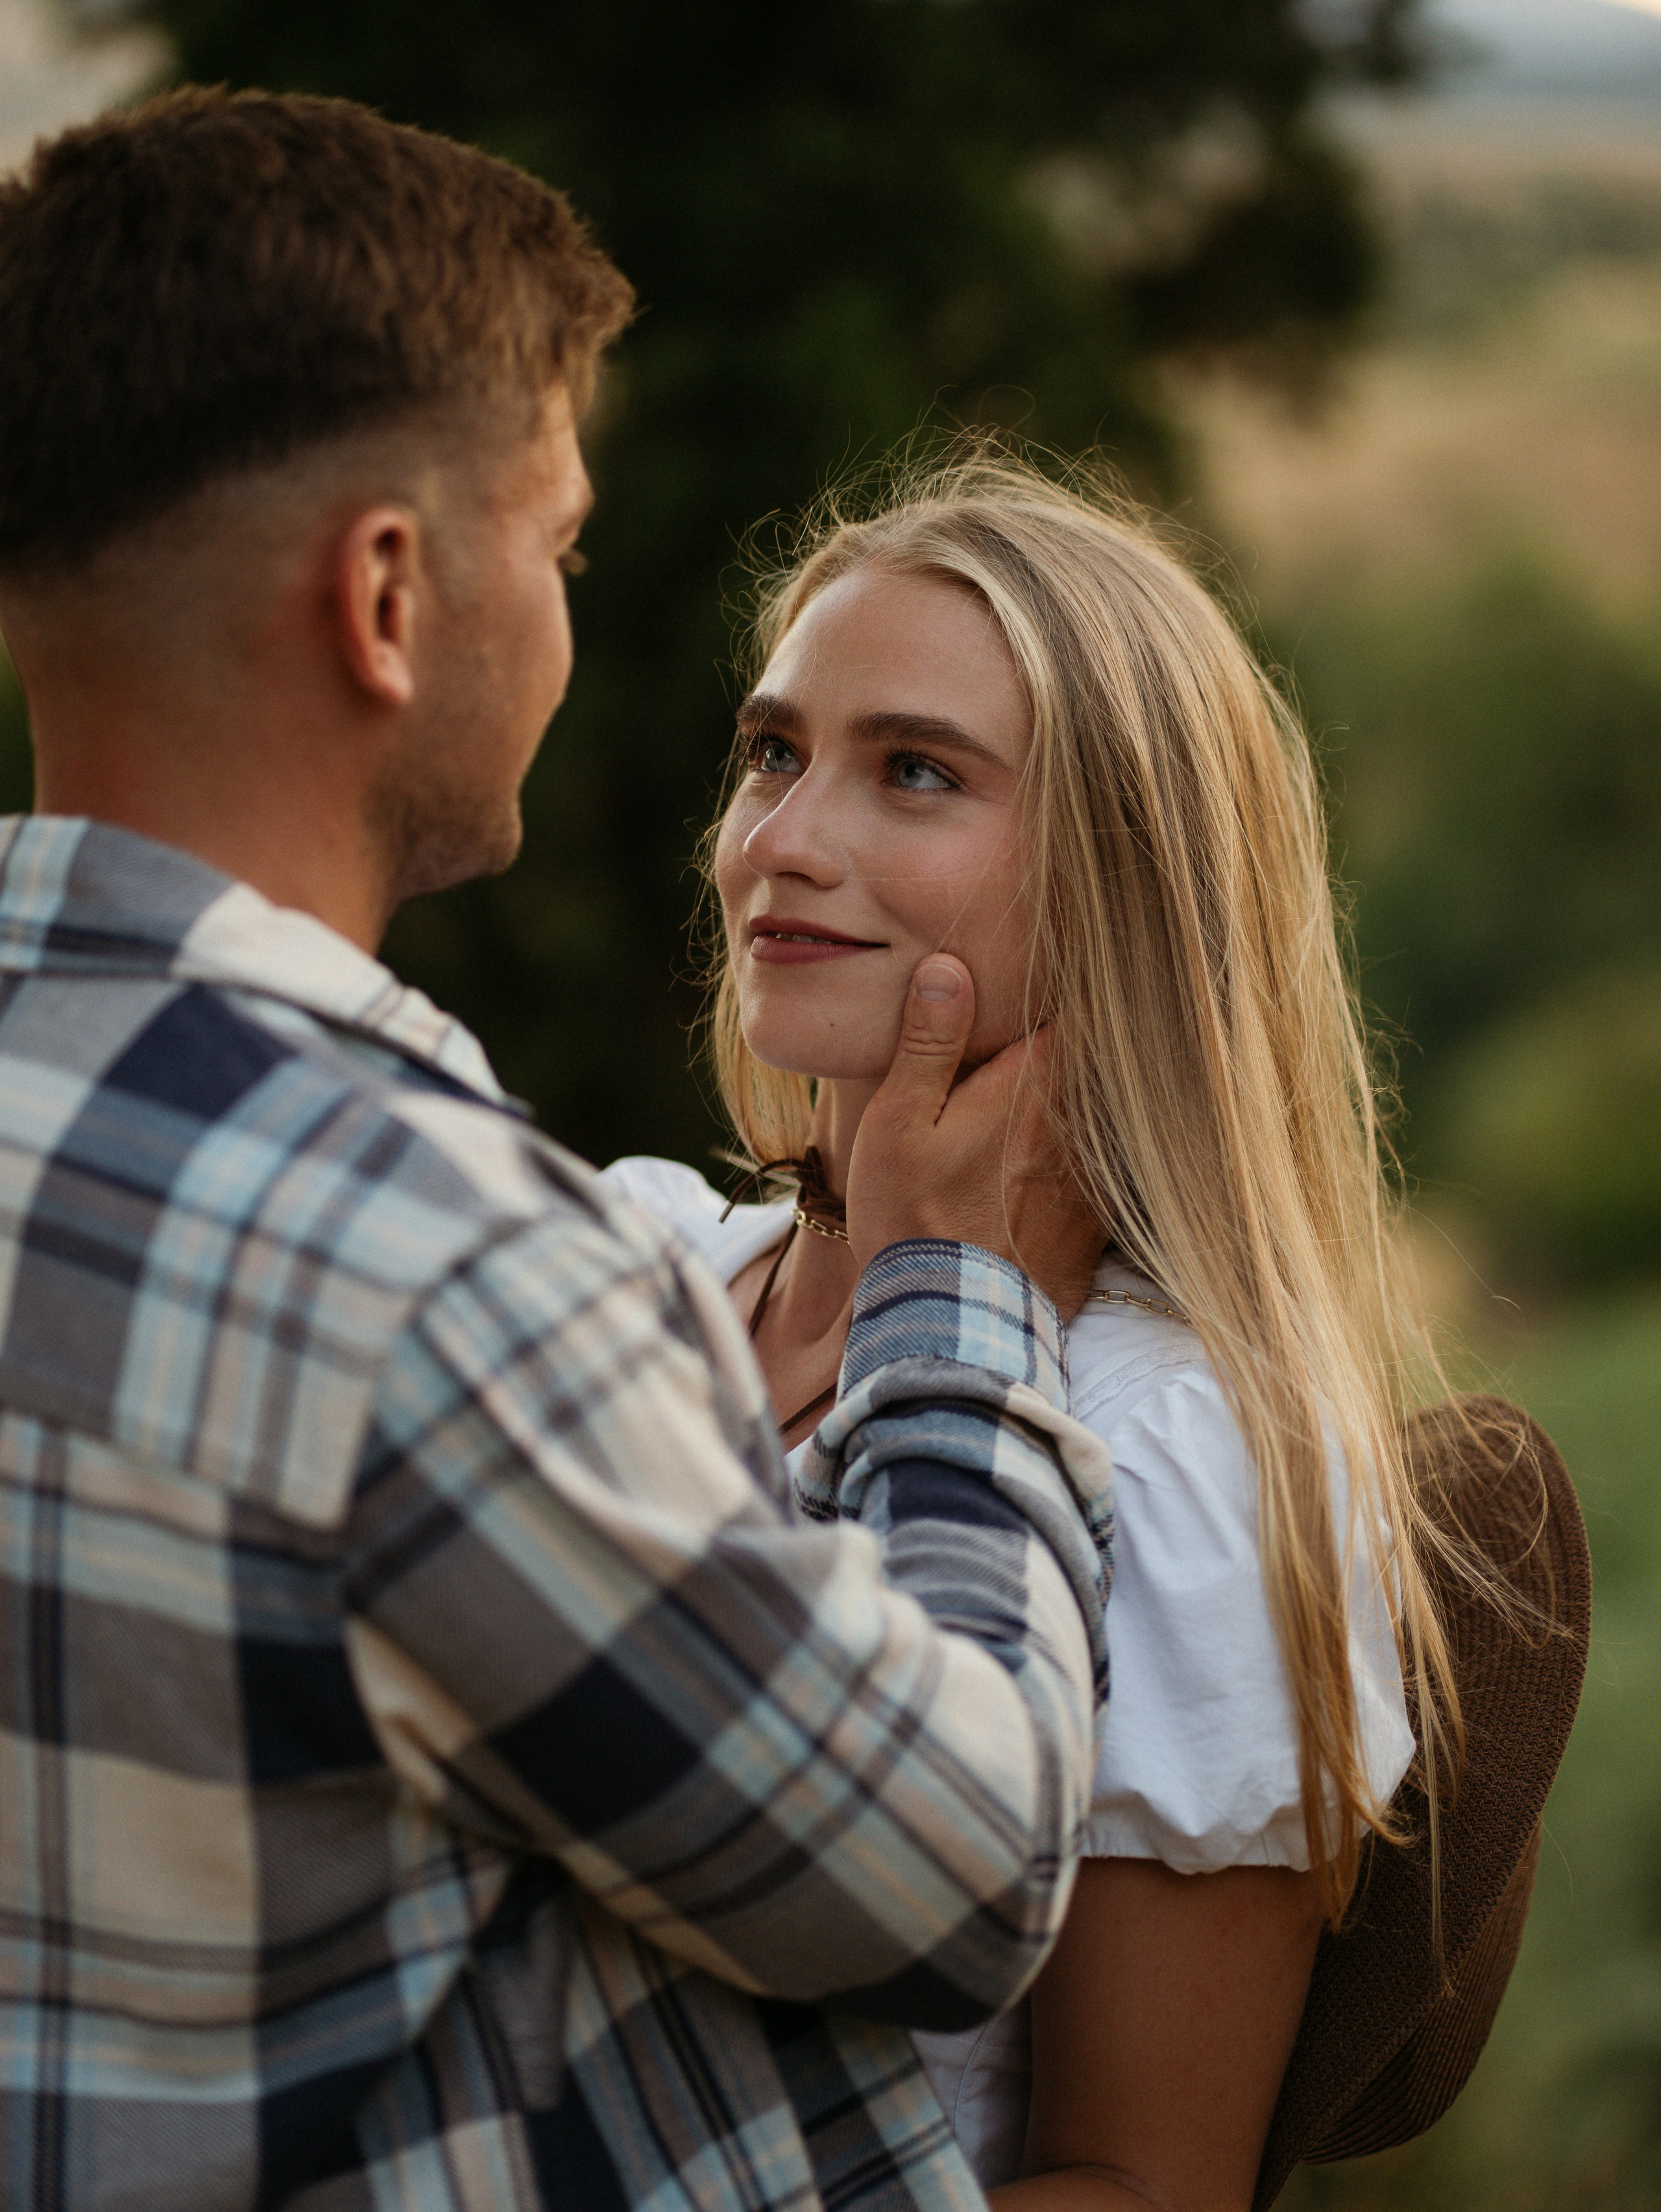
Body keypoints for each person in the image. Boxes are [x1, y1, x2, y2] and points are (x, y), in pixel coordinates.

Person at [0, 93, 1117, 2211]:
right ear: (389, 594)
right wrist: (954, 1294)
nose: (572, 614)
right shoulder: (418, 1259)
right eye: (561, 542)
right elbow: (960, 1873)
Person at [605, 451, 1464, 2211]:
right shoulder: (634, 1261)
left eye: (914, 771)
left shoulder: (1176, 1445)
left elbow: (1140, 2186)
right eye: (775, 752)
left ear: (1123, 884)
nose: (784, 842)